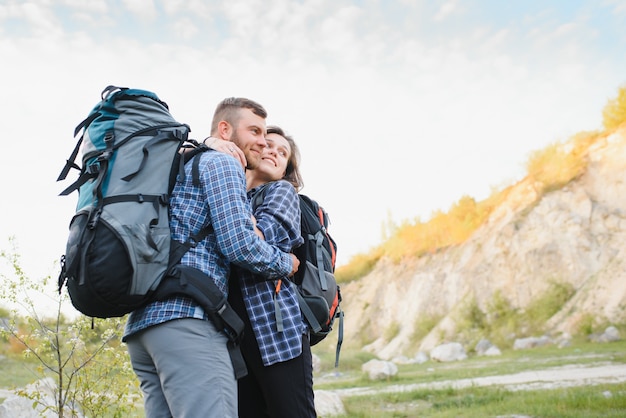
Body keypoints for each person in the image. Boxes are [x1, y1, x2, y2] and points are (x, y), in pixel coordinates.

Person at [123, 99, 299, 418]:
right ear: (224, 129)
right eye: (255, 131)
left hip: (143, 326)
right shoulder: (223, 162)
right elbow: (240, 245)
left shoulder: (179, 163)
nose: (262, 141)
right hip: (187, 320)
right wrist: (288, 263)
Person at [229, 126, 317, 417]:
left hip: (276, 330)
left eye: (283, 154)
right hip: (235, 334)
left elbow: (258, 241)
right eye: (268, 146)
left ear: (285, 171)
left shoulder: (280, 191)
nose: (274, 154)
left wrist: (233, 220)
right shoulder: (228, 190)